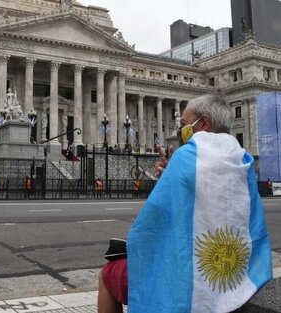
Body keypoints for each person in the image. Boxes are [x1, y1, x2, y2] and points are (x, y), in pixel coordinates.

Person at [98, 94, 272, 313]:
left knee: (108, 274)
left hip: (187, 275)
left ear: (204, 123)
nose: (180, 131)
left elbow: (153, 222)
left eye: (183, 124)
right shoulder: (243, 159)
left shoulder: (186, 156)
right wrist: (172, 174)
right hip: (235, 270)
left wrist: (135, 246)